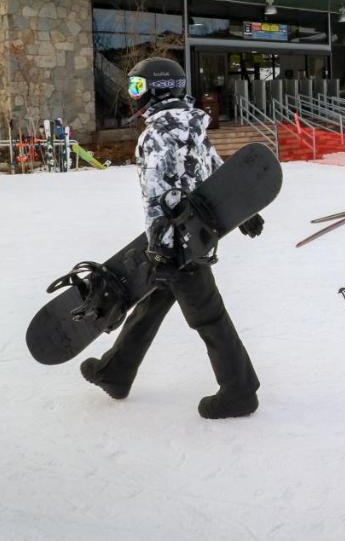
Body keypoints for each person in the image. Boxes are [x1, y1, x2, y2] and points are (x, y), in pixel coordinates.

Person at [80, 57, 263, 419]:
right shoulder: (190, 125)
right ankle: (117, 371)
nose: (133, 95)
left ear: (158, 88)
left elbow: (158, 193)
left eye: (137, 87)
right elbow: (214, 169)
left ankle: (239, 390)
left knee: (208, 315)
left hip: (176, 243)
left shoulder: (157, 133)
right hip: (189, 234)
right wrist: (245, 209)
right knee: (153, 299)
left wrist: (162, 247)